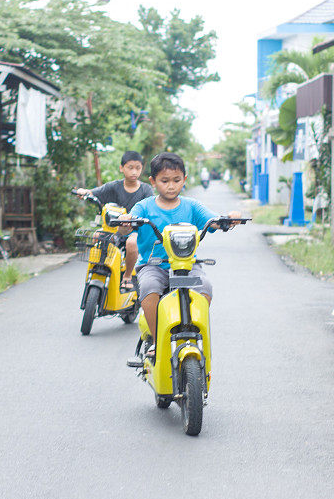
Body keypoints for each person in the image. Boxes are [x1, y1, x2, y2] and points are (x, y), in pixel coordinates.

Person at [123, 152, 243, 365]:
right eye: (165, 181)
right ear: (153, 182)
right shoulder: (144, 207)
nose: (171, 186)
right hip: (154, 266)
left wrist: (228, 219)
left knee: (205, 287)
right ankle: (156, 339)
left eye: (177, 180)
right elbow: (129, 222)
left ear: (184, 180)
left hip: (188, 266)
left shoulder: (192, 206)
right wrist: (126, 221)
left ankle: (194, 331)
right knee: (149, 287)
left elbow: (212, 220)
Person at [74, 151, 153, 291]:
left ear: (142, 168)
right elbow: (94, 192)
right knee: (96, 235)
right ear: (121, 168)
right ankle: (100, 268)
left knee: (132, 242)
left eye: (138, 168)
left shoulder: (146, 190)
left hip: (135, 231)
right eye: (130, 167)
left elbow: (152, 208)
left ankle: (127, 276)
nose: (134, 171)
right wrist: (84, 192)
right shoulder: (113, 186)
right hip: (114, 230)